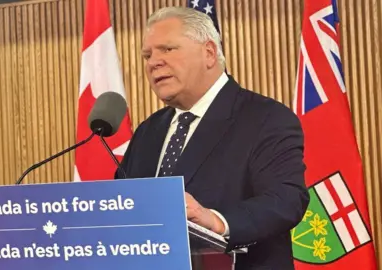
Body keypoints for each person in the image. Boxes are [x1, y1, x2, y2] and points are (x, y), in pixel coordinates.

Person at [114, 6, 310, 270]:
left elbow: (286, 200)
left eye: (167, 49)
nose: (153, 62)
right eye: (147, 55)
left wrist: (217, 221)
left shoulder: (265, 118)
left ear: (208, 52)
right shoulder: (150, 130)